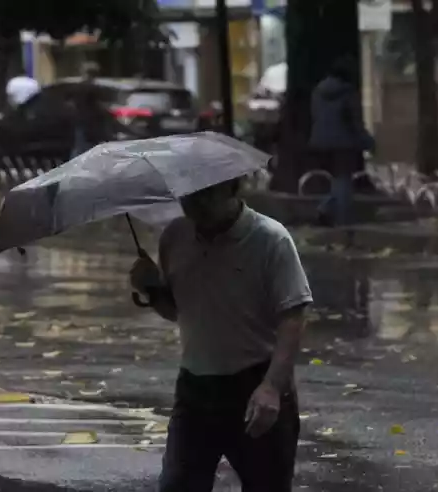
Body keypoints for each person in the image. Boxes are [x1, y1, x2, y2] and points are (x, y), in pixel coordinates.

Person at [129, 178, 313, 492]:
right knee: (178, 485)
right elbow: (180, 311)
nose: (194, 204)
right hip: (195, 389)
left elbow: (293, 318)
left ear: (233, 189)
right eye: (187, 195)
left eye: (205, 194)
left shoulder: (271, 239)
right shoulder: (175, 236)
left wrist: (271, 386)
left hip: (253, 383)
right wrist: (151, 289)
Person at [309, 55, 374, 227]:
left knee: (337, 180)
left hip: (320, 142)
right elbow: (355, 122)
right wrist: (368, 142)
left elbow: (315, 115)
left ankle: (326, 208)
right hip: (343, 143)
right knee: (343, 180)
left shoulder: (318, 91)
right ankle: (343, 221)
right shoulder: (349, 93)